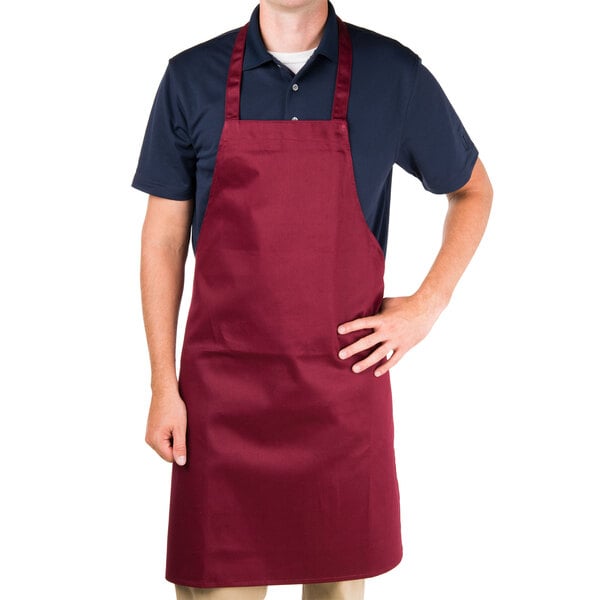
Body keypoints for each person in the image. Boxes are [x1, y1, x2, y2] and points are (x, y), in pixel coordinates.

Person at [132, 0, 493, 598]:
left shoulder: (392, 73)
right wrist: (162, 386)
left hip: (341, 394)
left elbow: (473, 191)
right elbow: (164, 242)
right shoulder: (190, 77)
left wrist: (428, 305)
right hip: (221, 401)